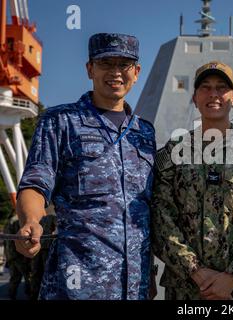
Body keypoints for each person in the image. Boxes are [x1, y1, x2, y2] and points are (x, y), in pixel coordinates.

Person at [14, 33, 156, 299]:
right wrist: (31, 220)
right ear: (90, 69)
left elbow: (148, 206)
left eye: (123, 65)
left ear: (136, 72)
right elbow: (35, 182)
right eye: (105, 63)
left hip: (135, 285)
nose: (115, 72)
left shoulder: (145, 132)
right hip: (79, 283)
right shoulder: (60, 121)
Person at [151, 61, 233, 299]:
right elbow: (161, 217)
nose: (214, 94)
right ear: (195, 97)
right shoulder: (174, 153)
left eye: (221, 87)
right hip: (188, 290)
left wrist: (232, 277)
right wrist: (197, 272)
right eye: (205, 87)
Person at [4, 211, 32, 300]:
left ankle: (11, 295)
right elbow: (21, 238)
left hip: (10, 254)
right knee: (28, 276)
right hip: (18, 254)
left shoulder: (8, 222)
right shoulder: (17, 220)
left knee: (15, 277)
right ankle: (30, 294)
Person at [28, 213, 57, 300]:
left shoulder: (34, 216)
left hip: (36, 246)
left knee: (35, 272)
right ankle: (45, 293)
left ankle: (34, 293)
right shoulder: (52, 216)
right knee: (46, 271)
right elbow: (56, 228)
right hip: (46, 246)